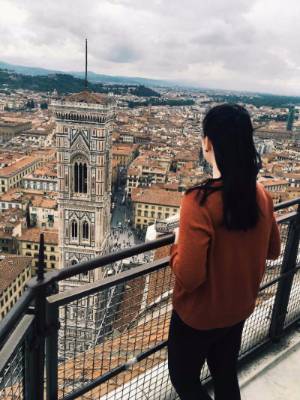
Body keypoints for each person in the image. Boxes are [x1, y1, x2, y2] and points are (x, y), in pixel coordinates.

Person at [167, 104, 281, 400]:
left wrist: (177, 245)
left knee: (185, 381)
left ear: (208, 142)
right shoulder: (261, 195)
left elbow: (190, 277)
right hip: (237, 309)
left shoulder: (198, 201)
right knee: (225, 375)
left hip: (197, 317)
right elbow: (274, 250)